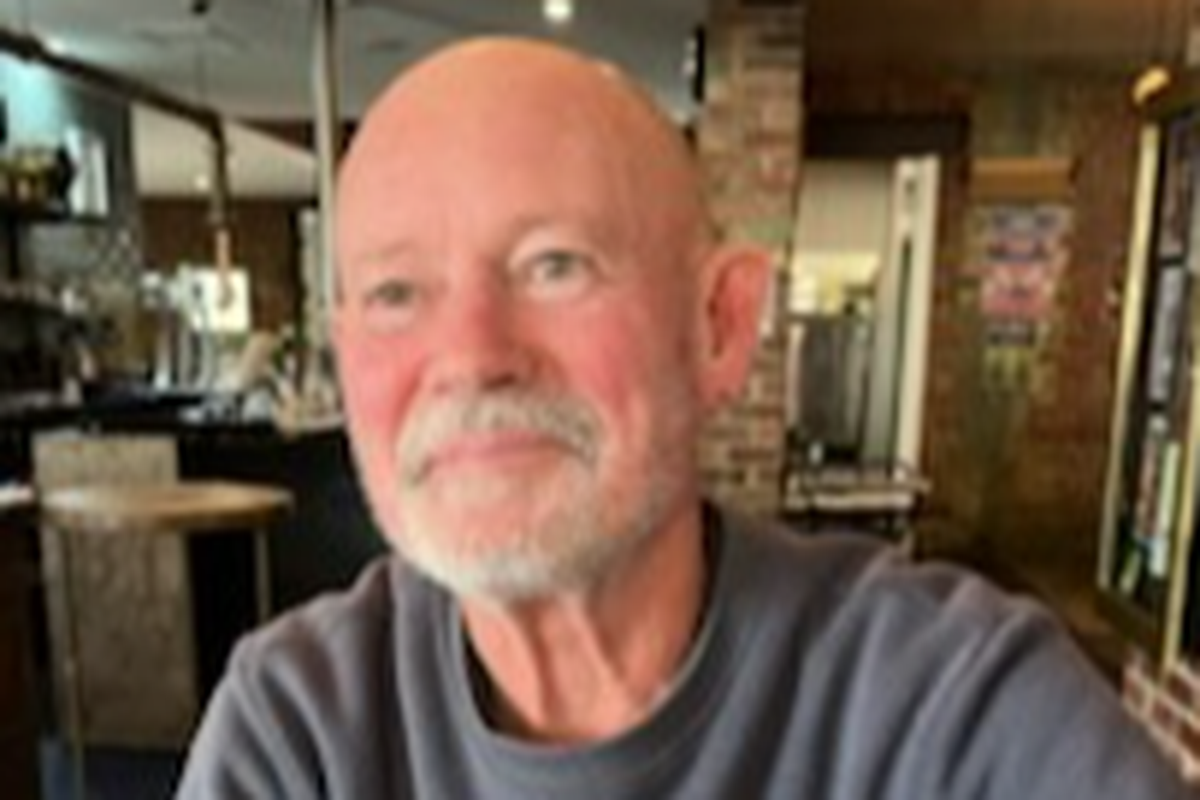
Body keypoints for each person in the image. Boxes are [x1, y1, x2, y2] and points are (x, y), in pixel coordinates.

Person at [174, 37, 1195, 799]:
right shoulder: (300, 731)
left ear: (720, 324)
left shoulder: (949, 708)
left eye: (554, 265)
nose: (473, 356)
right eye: (396, 292)